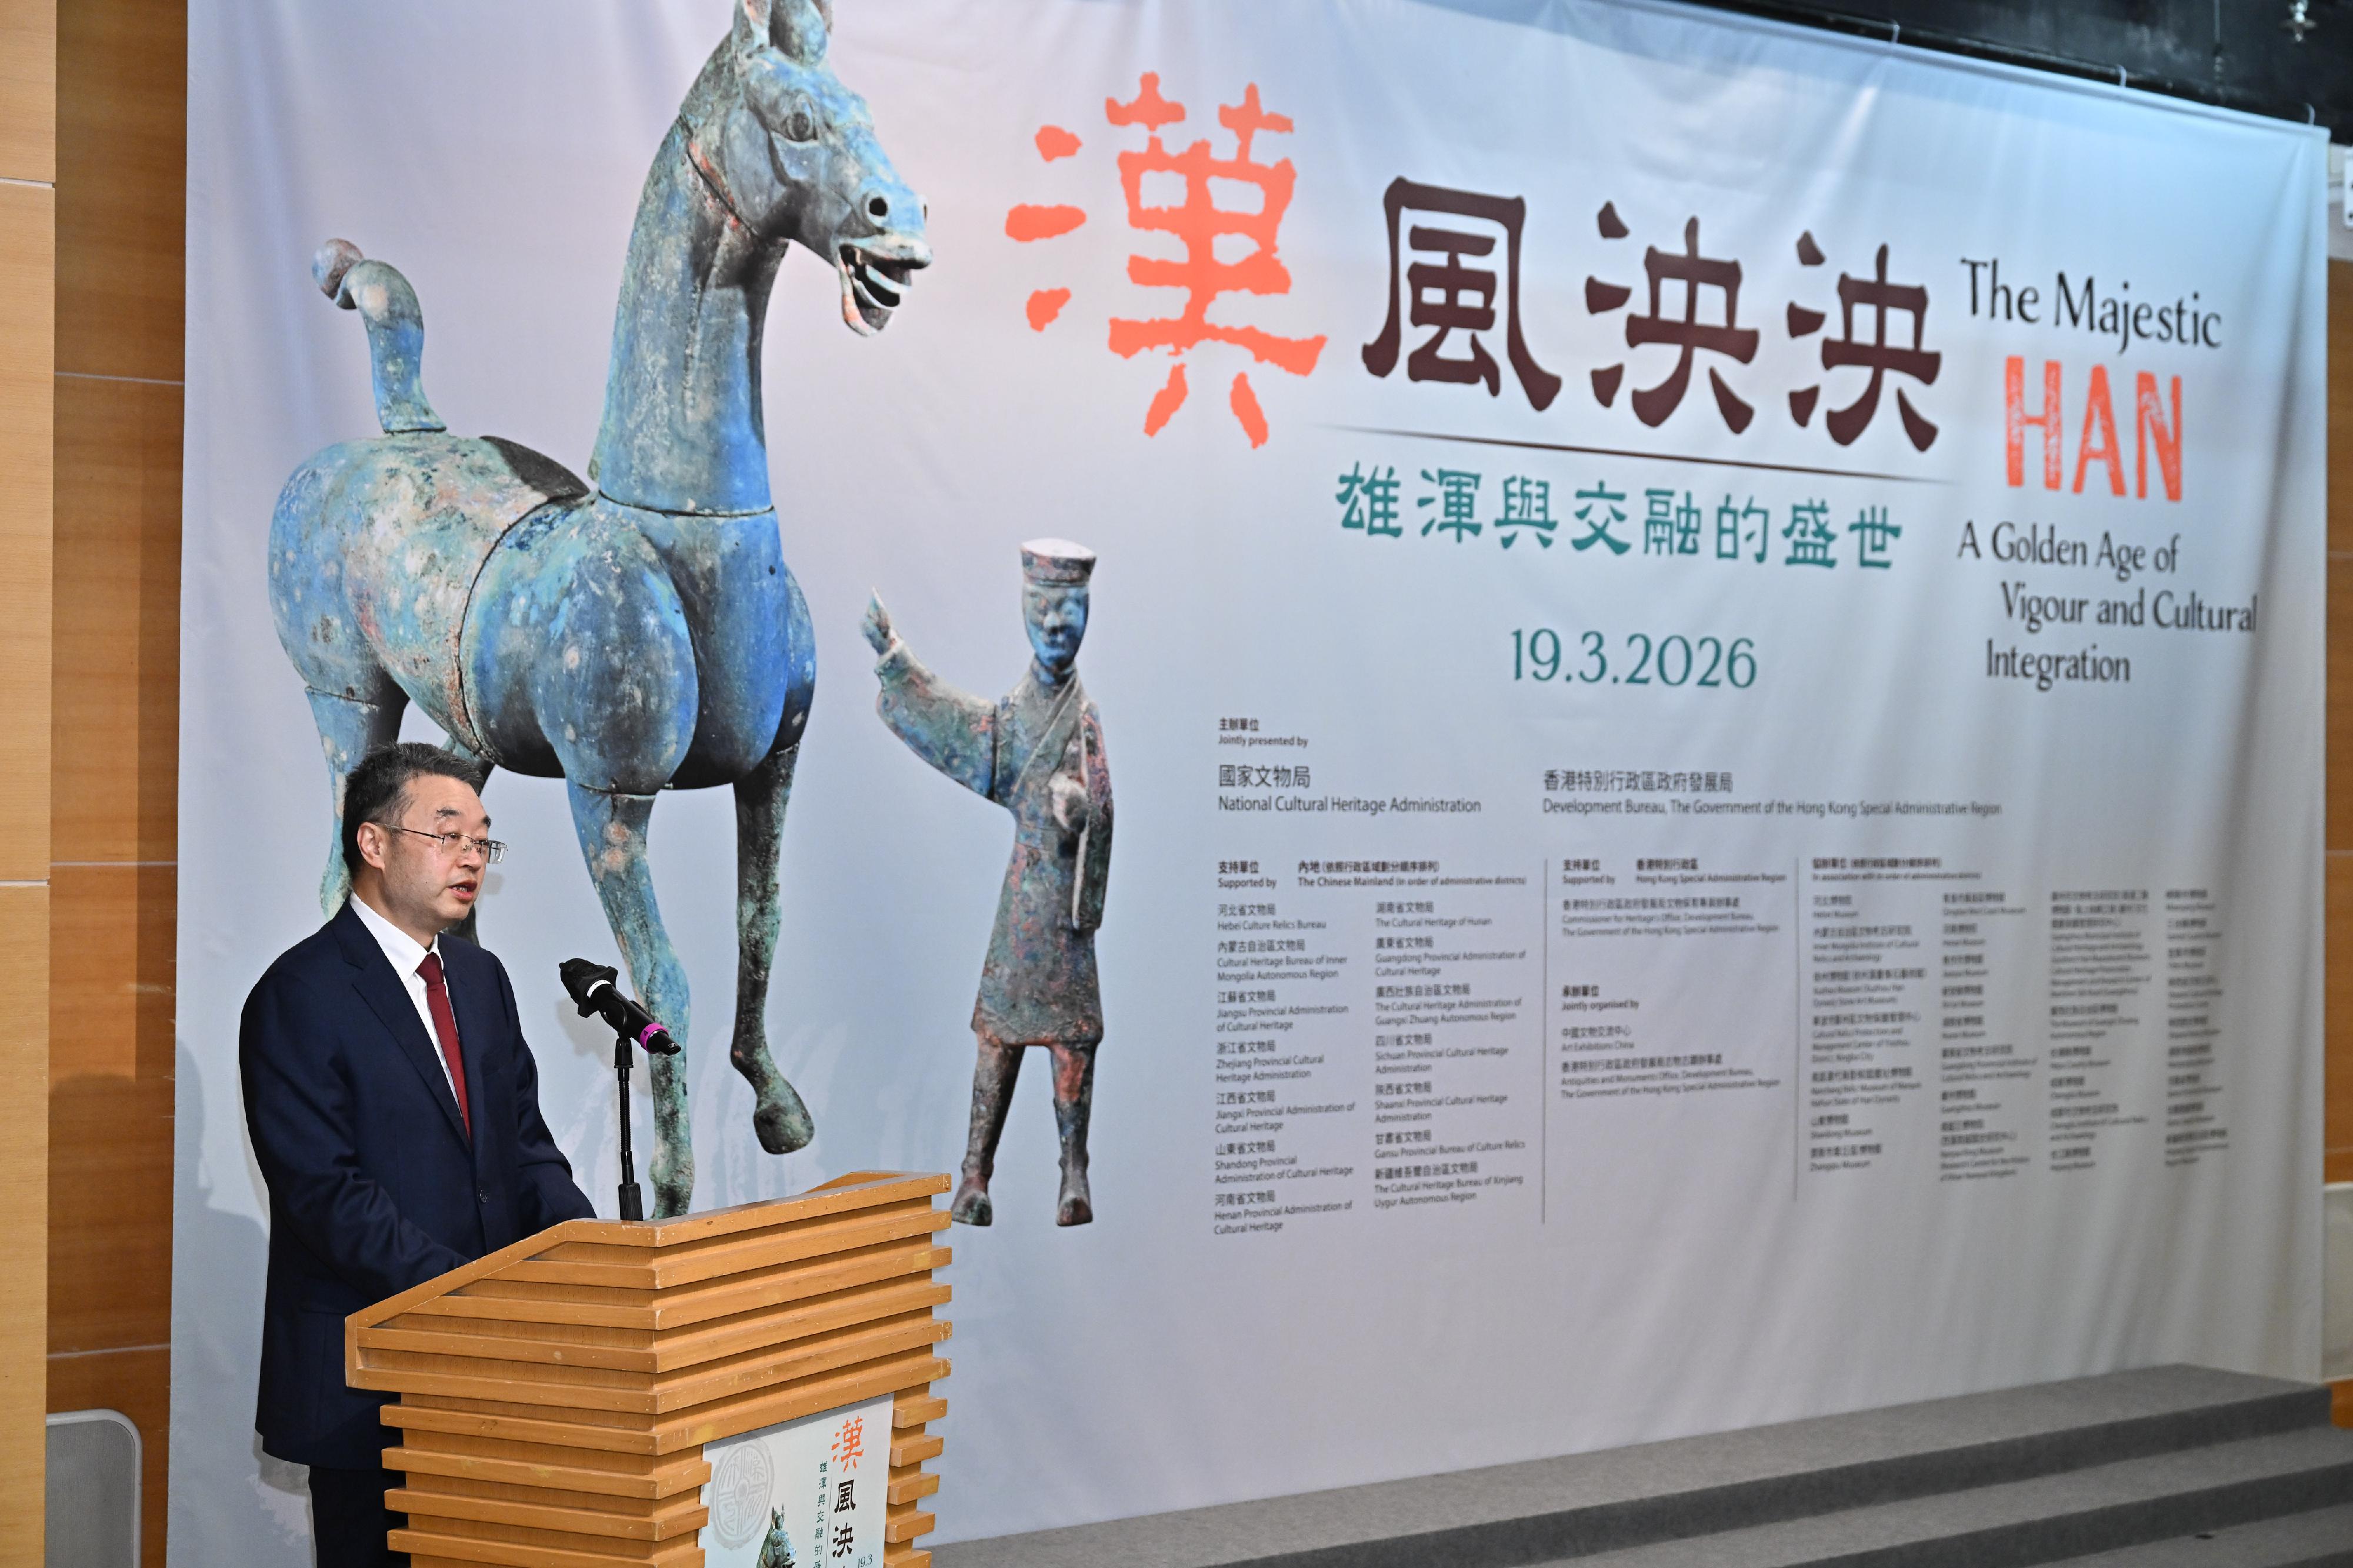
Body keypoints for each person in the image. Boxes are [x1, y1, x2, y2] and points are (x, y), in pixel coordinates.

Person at [240, 742, 595, 1567]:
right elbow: (327, 1194)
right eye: (447, 834)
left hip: (492, 1371)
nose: (472, 857)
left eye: (482, 839)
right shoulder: (301, 991)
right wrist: (468, 1294)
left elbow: (524, 1145)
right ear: (373, 842)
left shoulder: (480, 978)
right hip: (372, 1374)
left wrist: (586, 1253)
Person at [862, 538, 1113, 1227]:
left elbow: (1105, 809)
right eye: (1043, 606)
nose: (1055, 622)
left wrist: (1084, 812)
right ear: (1024, 608)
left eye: (1069, 607)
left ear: (1086, 612)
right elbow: (958, 722)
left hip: (1062, 910)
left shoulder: (1083, 720)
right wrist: (895, 659)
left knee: (1072, 1038)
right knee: (997, 1037)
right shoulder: (1013, 719)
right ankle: (975, 1172)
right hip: (1023, 899)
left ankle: (1074, 1170)